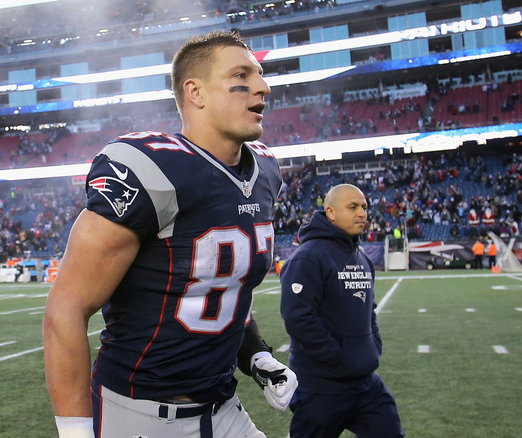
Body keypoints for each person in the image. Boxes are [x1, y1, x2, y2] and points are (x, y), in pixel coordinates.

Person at [43, 30, 297, 438]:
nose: (263, 87)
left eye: (261, 76)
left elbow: (222, 286)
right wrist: (75, 431)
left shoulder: (265, 170)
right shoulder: (149, 170)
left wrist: (256, 356)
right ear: (195, 91)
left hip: (223, 408)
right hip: (140, 416)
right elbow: (66, 309)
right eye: (242, 76)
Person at [279, 184, 404, 438]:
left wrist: (372, 345)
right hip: (321, 387)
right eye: (353, 207)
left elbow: (369, 310)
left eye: (364, 207)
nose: (362, 213)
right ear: (331, 212)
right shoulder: (308, 257)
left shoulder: (363, 259)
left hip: (365, 384)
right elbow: (298, 318)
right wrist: (338, 357)